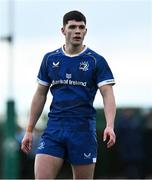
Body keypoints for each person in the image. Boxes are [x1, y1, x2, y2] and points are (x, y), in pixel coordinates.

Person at [21, 10, 116, 179]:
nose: (77, 31)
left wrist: (109, 125)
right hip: (54, 129)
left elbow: (107, 95)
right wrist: (29, 130)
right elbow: (40, 95)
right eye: (72, 27)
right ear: (63, 30)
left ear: (86, 31)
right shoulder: (50, 59)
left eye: (81, 27)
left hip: (82, 131)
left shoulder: (96, 61)